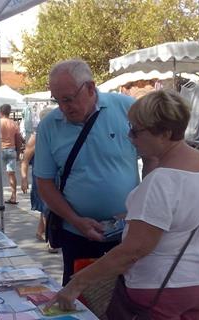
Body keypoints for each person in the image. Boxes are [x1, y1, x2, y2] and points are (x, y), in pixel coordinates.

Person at [48, 90, 199, 319]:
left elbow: (133, 252)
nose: (130, 137)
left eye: (136, 130)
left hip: (162, 286)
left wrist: (77, 283)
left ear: (164, 133)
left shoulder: (161, 181)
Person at [34, 59, 140, 285]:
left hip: (127, 233)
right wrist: (76, 220)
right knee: (81, 299)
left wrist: (141, 209)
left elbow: (153, 158)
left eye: (68, 99)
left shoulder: (127, 108)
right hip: (77, 234)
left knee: (127, 298)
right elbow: (44, 183)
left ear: (90, 88)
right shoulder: (49, 126)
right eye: (58, 100)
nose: (63, 107)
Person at [20, 107, 58, 253]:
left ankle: (40, 231)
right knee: (48, 207)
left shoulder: (56, 135)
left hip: (55, 177)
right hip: (41, 178)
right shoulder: (36, 137)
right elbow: (25, 160)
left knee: (48, 207)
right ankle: (52, 241)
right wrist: (24, 179)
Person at [0, 104, 22, 204]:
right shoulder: (14, 123)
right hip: (11, 149)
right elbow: (18, 139)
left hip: (0, 150)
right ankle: (14, 196)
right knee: (12, 174)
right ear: (9, 112)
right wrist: (18, 151)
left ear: (0, 112)